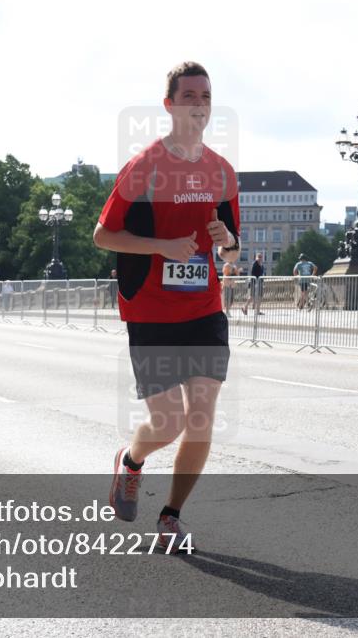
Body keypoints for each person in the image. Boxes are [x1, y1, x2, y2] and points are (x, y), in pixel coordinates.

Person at [93, 61, 241, 552]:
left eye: (205, 96)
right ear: (170, 104)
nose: (199, 104)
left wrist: (227, 243)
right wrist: (159, 246)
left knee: (200, 417)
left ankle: (171, 515)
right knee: (169, 423)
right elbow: (103, 235)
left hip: (203, 309)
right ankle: (133, 461)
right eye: (189, 96)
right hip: (151, 313)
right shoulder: (143, 168)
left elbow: (233, 251)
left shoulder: (221, 172)